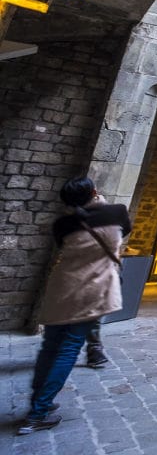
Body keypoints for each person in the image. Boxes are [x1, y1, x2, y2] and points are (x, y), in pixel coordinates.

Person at [19, 177, 130, 436]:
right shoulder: (116, 213)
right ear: (93, 191)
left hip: (63, 286)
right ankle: (37, 413)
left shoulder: (63, 224)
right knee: (69, 348)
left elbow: (62, 245)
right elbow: (122, 233)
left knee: (50, 346)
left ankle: (39, 404)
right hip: (92, 288)